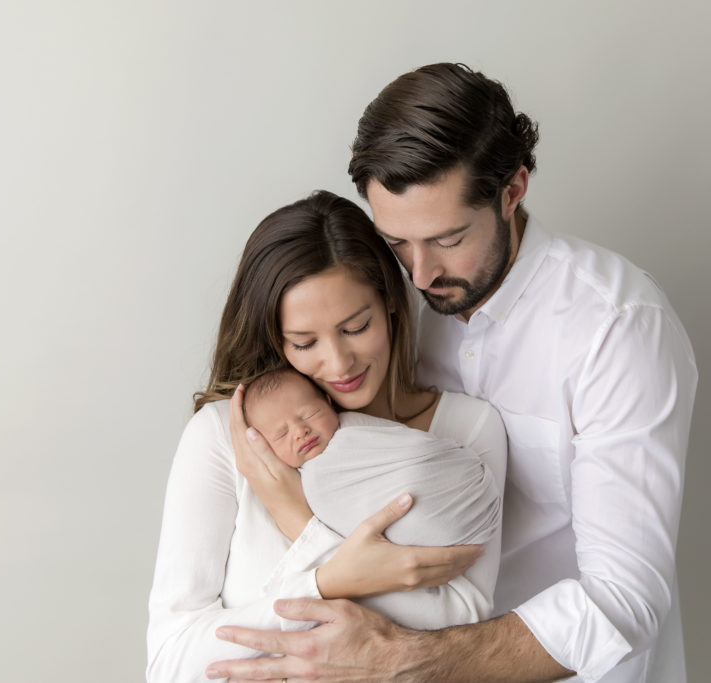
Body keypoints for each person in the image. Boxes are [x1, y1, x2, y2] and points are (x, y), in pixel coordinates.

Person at [208, 63, 698, 683]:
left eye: (448, 238)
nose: (419, 274)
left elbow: (626, 599)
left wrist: (405, 661)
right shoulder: (383, 312)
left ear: (513, 190)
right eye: (397, 244)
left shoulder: (617, 327)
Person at [146, 190, 507, 682]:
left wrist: (300, 521)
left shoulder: (468, 430)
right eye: (305, 342)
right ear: (276, 339)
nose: (339, 364)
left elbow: (462, 617)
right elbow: (171, 663)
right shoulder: (228, 437)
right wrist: (329, 580)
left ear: (391, 305)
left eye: (356, 327)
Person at [242, 366, 502, 629]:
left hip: (462, 489)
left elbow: (410, 446)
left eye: (309, 414)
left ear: (329, 404)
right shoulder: (299, 482)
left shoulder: (354, 430)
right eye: (281, 434)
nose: (300, 431)